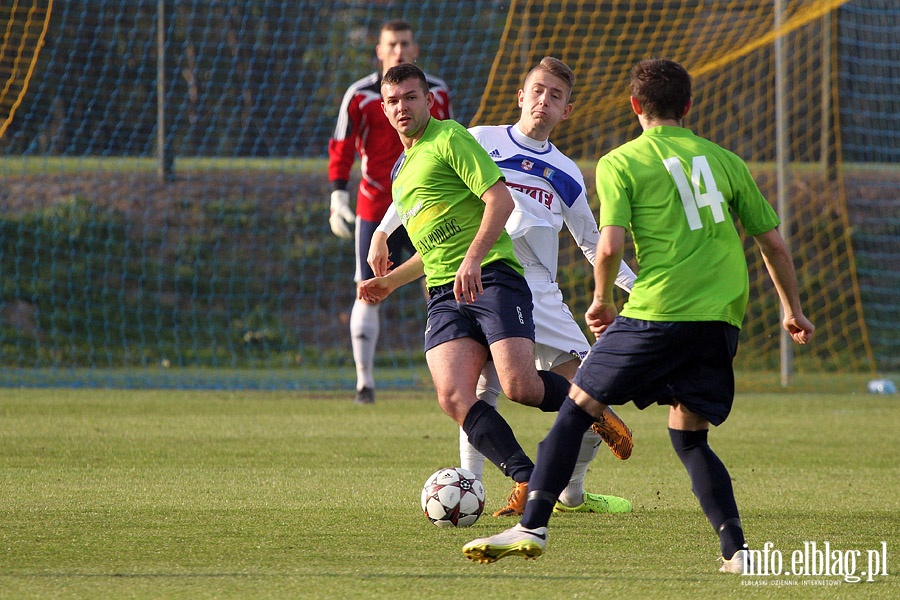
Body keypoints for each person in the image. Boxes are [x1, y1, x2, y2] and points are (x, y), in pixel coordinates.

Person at [463, 58, 815, 572]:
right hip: (721, 320)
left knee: (577, 407)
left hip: (658, 311)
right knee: (690, 437)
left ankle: (532, 524)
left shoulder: (621, 161)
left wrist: (603, 299)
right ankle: (737, 551)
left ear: (634, 106)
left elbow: (606, 246)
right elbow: (774, 245)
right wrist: (793, 310)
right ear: (688, 107)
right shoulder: (726, 161)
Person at [370, 57, 635, 517]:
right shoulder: (480, 139)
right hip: (460, 277)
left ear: (566, 110)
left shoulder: (567, 172)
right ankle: (480, 483)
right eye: (536, 90)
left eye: (555, 95)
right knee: (469, 390)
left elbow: (594, 244)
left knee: (568, 384)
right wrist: (380, 233)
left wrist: (633, 289)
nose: (543, 101)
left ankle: (571, 488)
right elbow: (416, 199)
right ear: (520, 95)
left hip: (523, 279)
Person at [327, 19, 452, 404]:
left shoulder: (437, 92)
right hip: (376, 204)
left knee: (440, 283)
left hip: (428, 206)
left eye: (404, 44)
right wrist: (338, 195)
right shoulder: (360, 95)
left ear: (415, 49)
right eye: (391, 44)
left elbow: (449, 144)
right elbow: (342, 146)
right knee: (368, 287)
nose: (398, 50)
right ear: (379, 51)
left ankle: (451, 375)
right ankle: (364, 384)